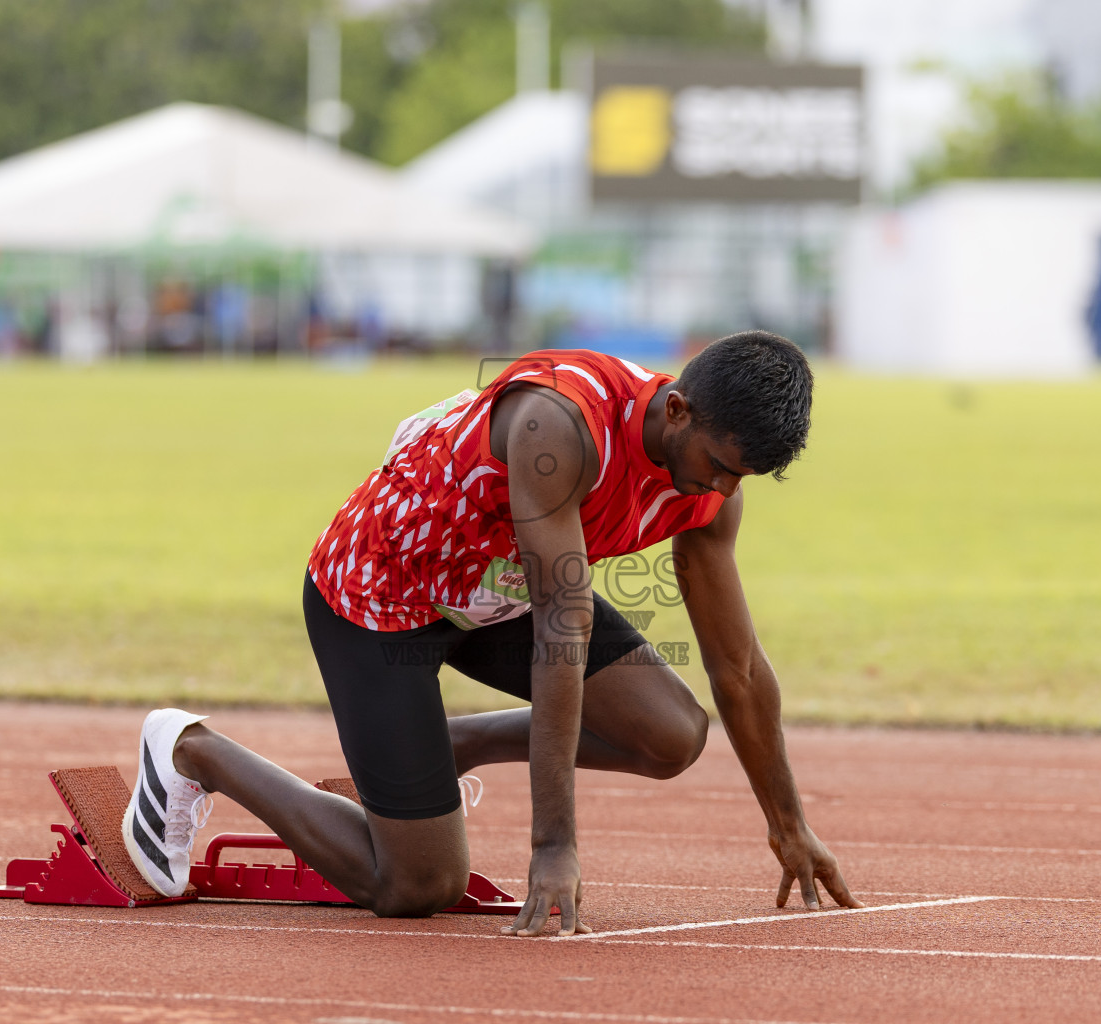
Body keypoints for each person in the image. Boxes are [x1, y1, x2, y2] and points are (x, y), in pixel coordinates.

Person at [121, 331, 861, 936]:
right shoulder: (558, 426)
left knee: (671, 733)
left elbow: (739, 668)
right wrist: (552, 847)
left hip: (493, 596)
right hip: (386, 594)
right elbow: (561, 630)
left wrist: (788, 824)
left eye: (744, 479)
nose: (724, 491)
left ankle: (455, 744)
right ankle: (192, 749)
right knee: (416, 886)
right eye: (721, 466)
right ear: (677, 412)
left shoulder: (708, 495)